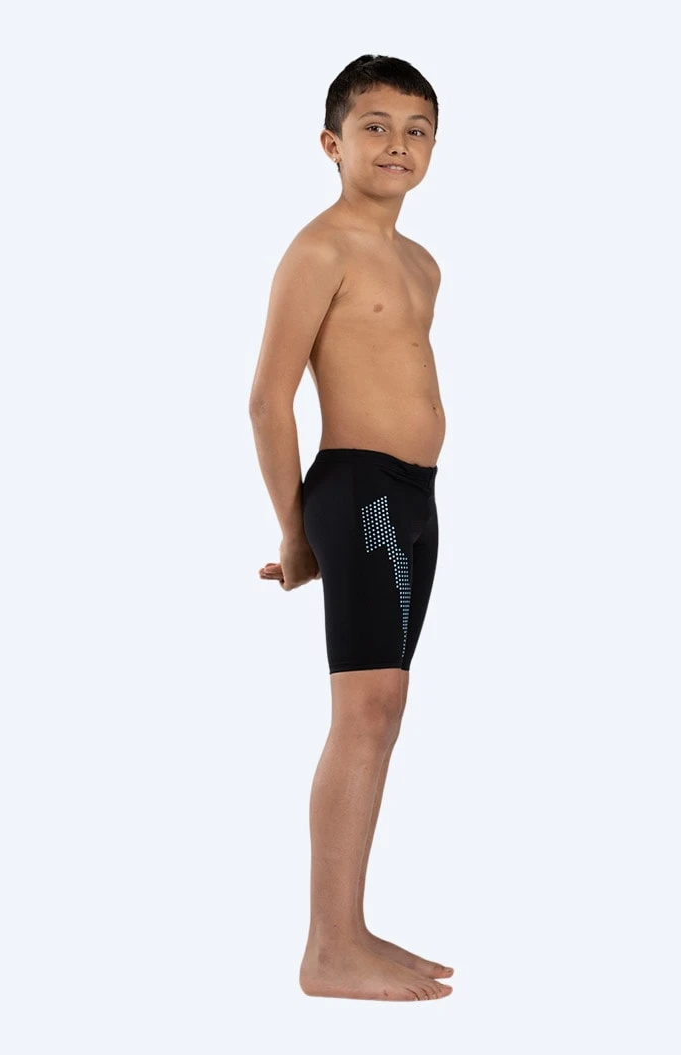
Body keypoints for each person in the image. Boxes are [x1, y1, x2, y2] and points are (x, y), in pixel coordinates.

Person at [248, 54, 452, 1002]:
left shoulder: (420, 262)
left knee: (385, 709)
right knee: (363, 711)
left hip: (415, 497)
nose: (396, 143)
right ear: (332, 143)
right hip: (358, 488)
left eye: (416, 129)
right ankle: (328, 949)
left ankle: (351, 930)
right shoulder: (319, 248)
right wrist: (295, 533)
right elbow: (268, 399)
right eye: (375, 126)